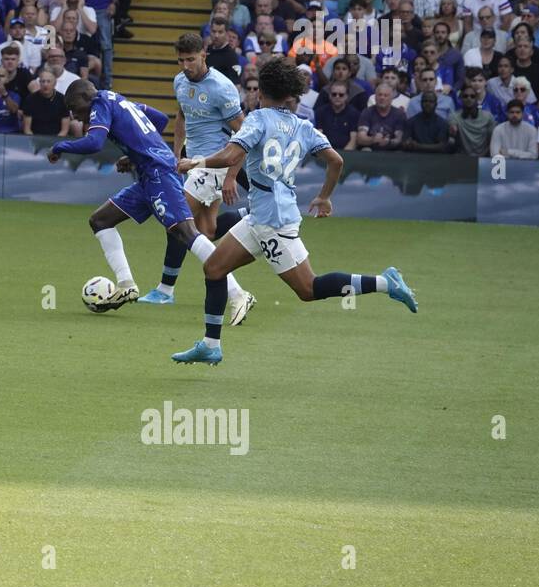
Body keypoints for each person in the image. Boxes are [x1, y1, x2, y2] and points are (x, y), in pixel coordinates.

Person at [171, 59, 418, 366]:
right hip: (260, 217)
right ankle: (211, 345)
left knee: (308, 289)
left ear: (261, 92)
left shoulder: (258, 119)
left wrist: (197, 162)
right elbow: (336, 161)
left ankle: (385, 283)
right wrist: (324, 197)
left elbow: (233, 154)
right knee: (214, 268)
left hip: (274, 223)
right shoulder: (303, 125)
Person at [46, 79, 249, 313]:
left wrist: (59, 147)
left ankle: (238, 294)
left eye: (75, 109)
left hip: (159, 174)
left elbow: (94, 142)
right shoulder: (118, 99)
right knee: (100, 220)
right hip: (147, 173)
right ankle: (126, 285)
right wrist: (137, 152)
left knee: (187, 233)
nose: (75, 116)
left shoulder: (100, 104)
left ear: (85, 98)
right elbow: (160, 119)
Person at [139, 33, 255, 324]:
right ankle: (248, 223)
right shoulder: (179, 81)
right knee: (206, 230)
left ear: (205, 54)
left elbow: (243, 135)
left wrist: (230, 177)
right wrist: (175, 156)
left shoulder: (222, 88)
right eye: (181, 60)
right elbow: (182, 117)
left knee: (178, 222)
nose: (186, 65)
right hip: (193, 163)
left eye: (191, 59)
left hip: (214, 165)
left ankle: (168, 290)